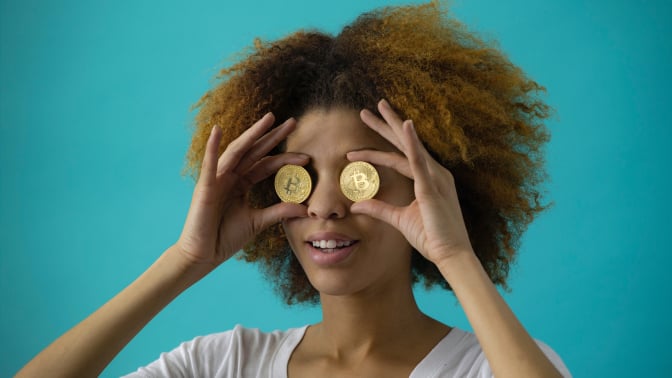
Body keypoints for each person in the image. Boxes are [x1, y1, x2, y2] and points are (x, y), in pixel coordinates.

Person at [17, 1, 571, 377]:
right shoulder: (226, 363)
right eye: (299, 177)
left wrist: (456, 255)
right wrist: (184, 260)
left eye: (364, 175)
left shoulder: (494, 365)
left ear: (431, 191)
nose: (326, 205)